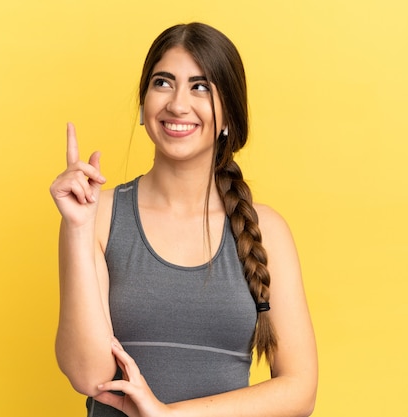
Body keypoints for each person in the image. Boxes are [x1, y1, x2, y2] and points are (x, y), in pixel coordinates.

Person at [50, 22, 317, 417]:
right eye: (163, 83)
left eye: (201, 87)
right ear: (143, 105)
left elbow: (300, 391)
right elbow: (90, 376)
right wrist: (76, 228)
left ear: (229, 115)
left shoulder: (268, 230)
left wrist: (169, 416)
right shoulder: (97, 214)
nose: (178, 104)